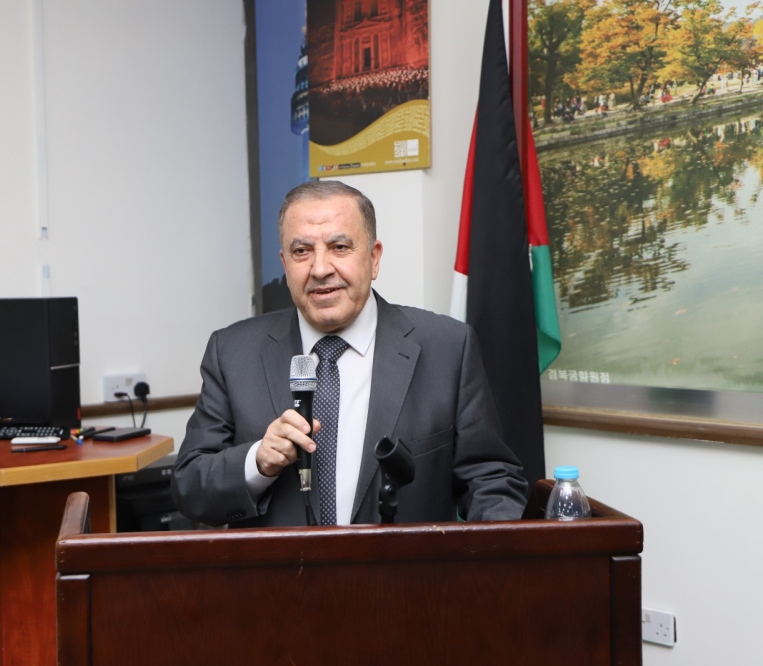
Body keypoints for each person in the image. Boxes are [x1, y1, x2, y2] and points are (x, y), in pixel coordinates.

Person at [172, 181, 528, 528]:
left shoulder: (448, 347)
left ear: (374, 258)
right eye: (302, 251)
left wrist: (493, 556)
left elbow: (491, 480)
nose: (320, 269)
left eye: (339, 247)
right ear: (285, 263)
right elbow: (189, 487)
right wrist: (257, 462)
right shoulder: (232, 352)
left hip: (404, 569)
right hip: (280, 570)